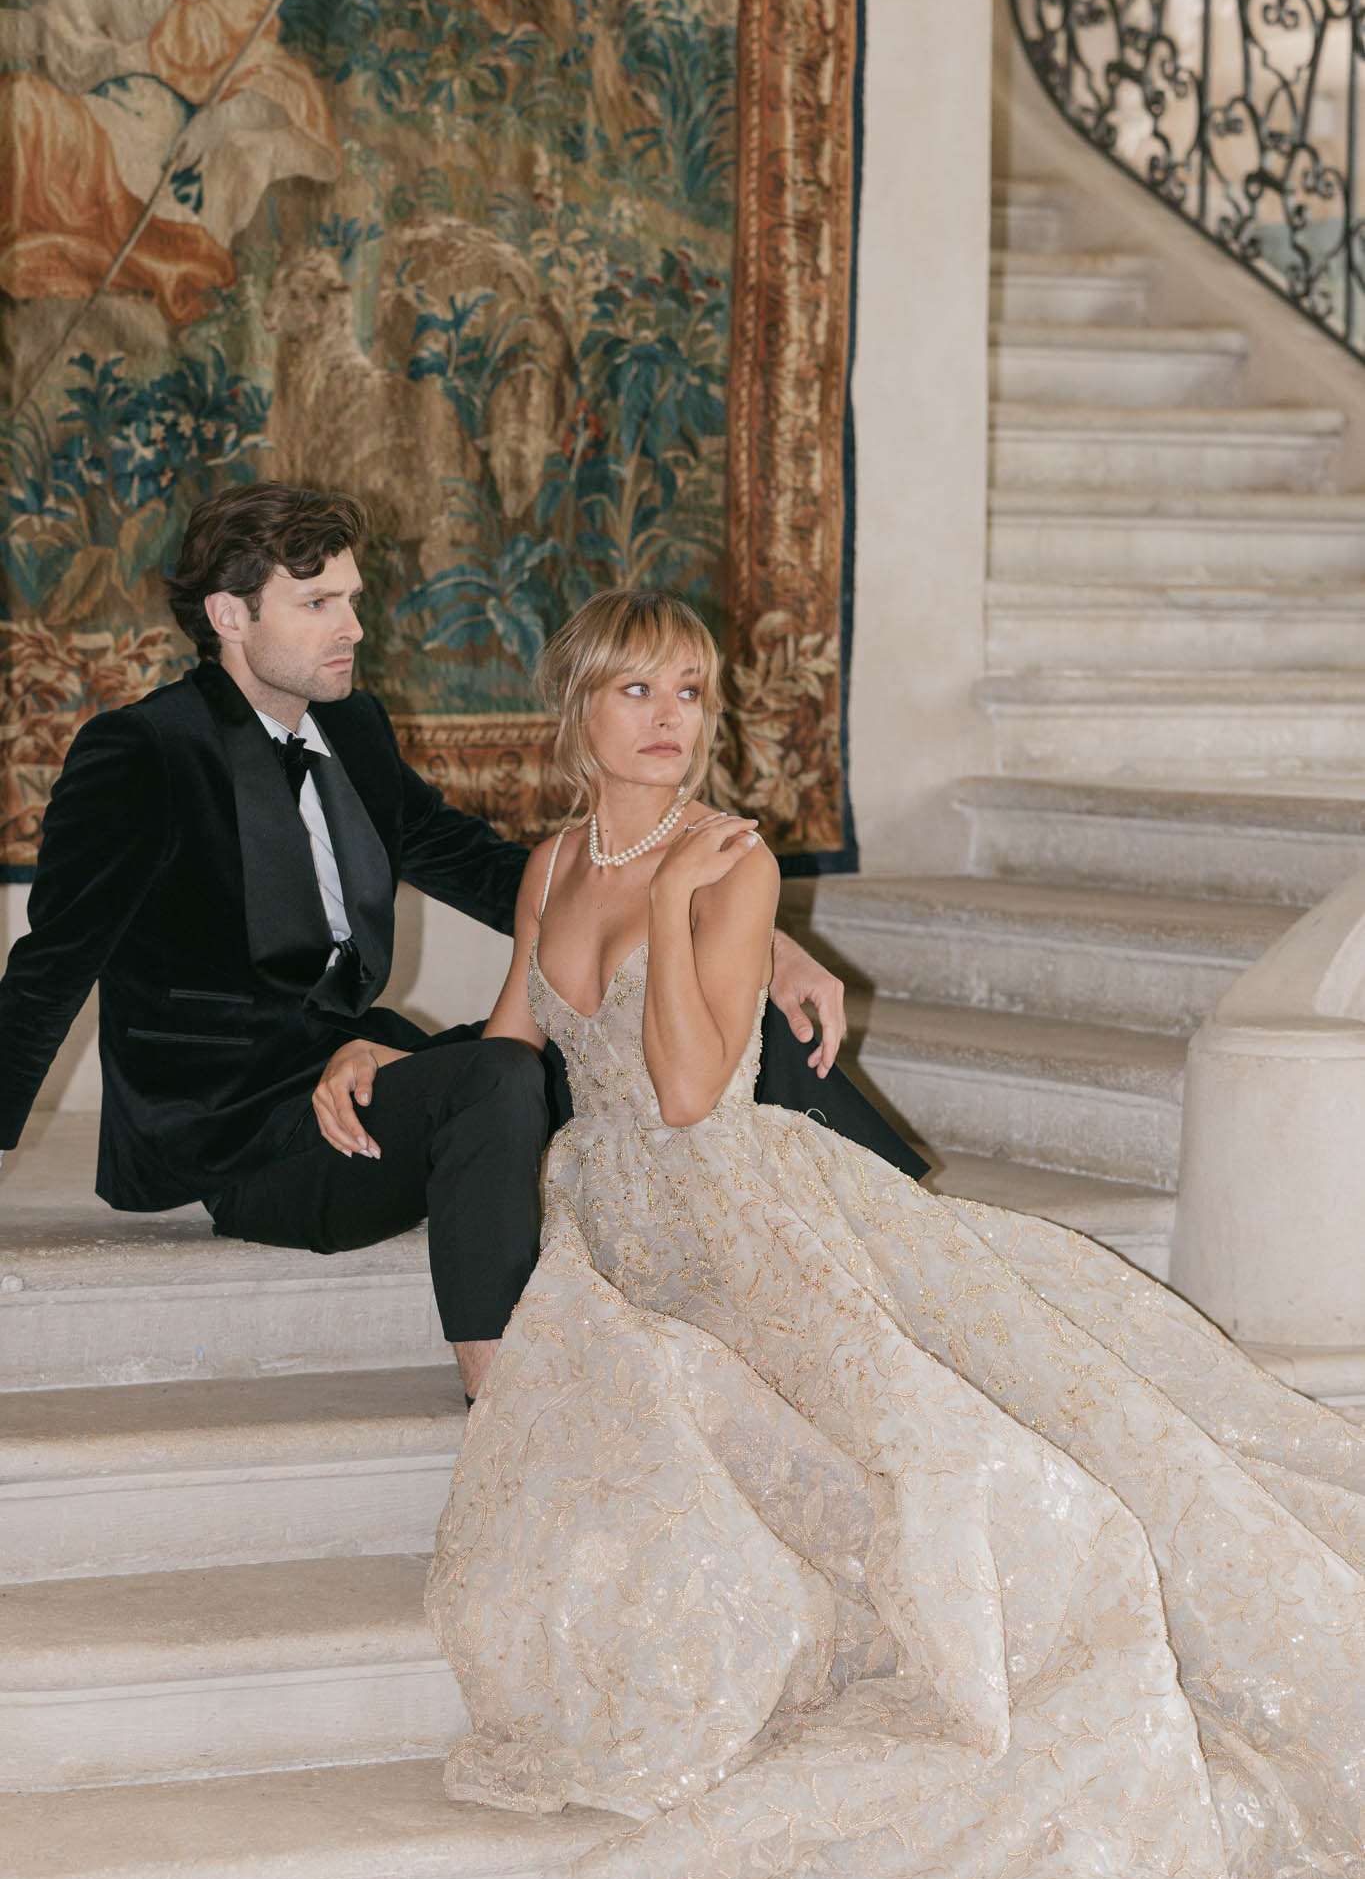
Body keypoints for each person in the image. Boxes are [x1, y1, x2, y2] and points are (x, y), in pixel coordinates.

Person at [425, 587, 1365, 1879]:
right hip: (615, 1223)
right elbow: (514, 1042)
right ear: (575, 705)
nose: (668, 721)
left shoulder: (732, 864)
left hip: (737, 1212)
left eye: (691, 692)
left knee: (950, 1450)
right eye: (636, 690)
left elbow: (693, 1091)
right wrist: (370, 1056)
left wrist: (686, 915)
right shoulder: (550, 861)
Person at [0, 482, 926, 1400]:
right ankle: (501, 1389)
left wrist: (758, 939)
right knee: (500, 1073)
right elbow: (51, 966)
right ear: (227, 616)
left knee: (664, 1019)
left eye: (352, 600)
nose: (353, 627)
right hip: (242, 1135)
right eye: (318, 603)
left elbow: (495, 873)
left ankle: (875, 1217)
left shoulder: (351, 726)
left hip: (360, 1072)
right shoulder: (141, 752)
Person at [0, 0, 339, 328]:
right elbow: (49, 36)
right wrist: (121, 56)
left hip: (155, 134)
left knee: (22, 108)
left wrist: (217, 121)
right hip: (98, 116)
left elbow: (275, 77)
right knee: (17, 100)